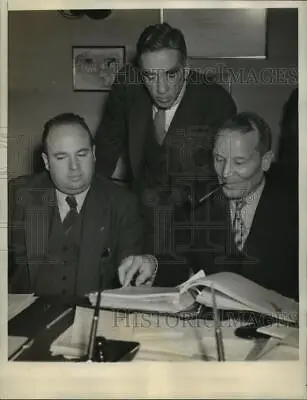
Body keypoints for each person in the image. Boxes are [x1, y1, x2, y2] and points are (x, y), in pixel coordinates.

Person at [94, 22, 237, 260]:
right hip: (141, 219)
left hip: (195, 225)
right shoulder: (127, 87)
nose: (161, 89)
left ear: (186, 68)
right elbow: (105, 149)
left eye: (171, 74)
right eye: (150, 76)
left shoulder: (217, 103)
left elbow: (223, 178)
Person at [8, 113, 157, 297]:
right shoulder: (16, 197)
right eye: (61, 157)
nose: (74, 167)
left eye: (81, 154)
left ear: (93, 154)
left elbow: (133, 268)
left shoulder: (123, 203)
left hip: (93, 319)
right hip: (28, 320)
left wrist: (146, 263)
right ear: (46, 162)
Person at [155, 112, 298, 300]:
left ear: (265, 161)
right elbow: (176, 266)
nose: (225, 173)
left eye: (239, 162)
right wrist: (153, 264)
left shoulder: (295, 211)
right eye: (219, 159)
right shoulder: (196, 205)